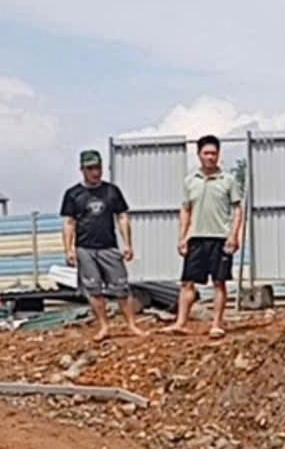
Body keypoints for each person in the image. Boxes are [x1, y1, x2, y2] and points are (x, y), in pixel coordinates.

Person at [164, 135, 245, 337]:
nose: (210, 157)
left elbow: (237, 210)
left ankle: (216, 324)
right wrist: (182, 237)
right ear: (199, 154)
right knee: (187, 282)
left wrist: (234, 235)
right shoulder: (190, 181)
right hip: (196, 238)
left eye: (213, 153)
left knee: (219, 281)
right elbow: (185, 209)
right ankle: (180, 323)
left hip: (220, 238)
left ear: (218, 155)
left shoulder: (228, 181)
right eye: (206, 153)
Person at [59, 150, 145, 341]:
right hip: (85, 249)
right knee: (94, 290)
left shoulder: (111, 191)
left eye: (97, 168)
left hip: (109, 247)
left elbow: (122, 216)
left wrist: (128, 244)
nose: (95, 172)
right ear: (82, 169)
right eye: (90, 168)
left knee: (121, 288)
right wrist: (68, 249)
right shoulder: (73, 194)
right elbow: (69, 222)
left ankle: (131, 325)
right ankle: (104, 326)